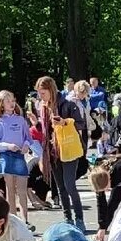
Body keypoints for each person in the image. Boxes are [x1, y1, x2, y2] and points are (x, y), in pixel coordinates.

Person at [37, 76, 86, 229]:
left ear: (51, 90)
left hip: (68, 149)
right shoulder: (42, 107)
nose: (41, 97)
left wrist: (64, 122)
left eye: (43, 93)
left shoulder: (68, 104)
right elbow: (45, 131)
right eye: (39, 93)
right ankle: (67, 218)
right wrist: (35, 124)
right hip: (52, 152)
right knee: (61, 188)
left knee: (69, 185)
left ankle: (79, 219)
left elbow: (81, 123)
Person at [0, 89, 34, 223]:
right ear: (2, 104)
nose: (11, 103)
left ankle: (25, 220)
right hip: (6, 157)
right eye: (8, 101)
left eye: (13, 100)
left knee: (22, 190)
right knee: (10, 190)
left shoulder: (20, 120)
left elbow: (28, 138)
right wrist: (7, 146)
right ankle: (13, 220)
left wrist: (25, 145)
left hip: (19, 156)